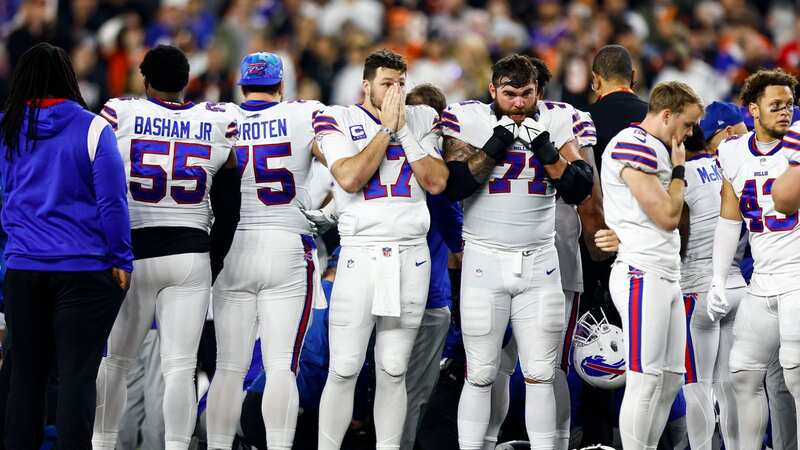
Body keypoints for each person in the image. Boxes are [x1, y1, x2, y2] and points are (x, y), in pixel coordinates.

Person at [440, 53, 594, 450]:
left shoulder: (559, 119)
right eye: (509, 94)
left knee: (542, 372)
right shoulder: (468, 118)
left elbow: (579, 187)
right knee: (480, 372)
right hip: (483, 261)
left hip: (540, 262)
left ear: (538, 90)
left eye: (526, 93)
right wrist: (498, 141)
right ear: (493, 90)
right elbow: (454, 184)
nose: (519, 103)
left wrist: (544, 148)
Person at [92, 45, 241, 450]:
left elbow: (95, 179)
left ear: (145, 81)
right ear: (186, 82)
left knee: (117, 362)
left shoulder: (120, 113)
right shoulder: (217, 119)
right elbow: (230, 203)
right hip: (190, 252)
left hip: (132, 252)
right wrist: (214, 254)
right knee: (180, 368)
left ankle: (102, 444)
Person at [313, 49, 449, 450]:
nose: (396, 92)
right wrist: (385, 131)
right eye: (388, 83)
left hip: (411, 253)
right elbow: (351, 178)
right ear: (366, 85)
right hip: (360, 252)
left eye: (401, 84)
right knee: (345, 367)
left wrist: (404, 131)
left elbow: (437, 182)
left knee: (394, 368)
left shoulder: (421, 117)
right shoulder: (338, 117)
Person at [0, 42, 132, 450]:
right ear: (68, 79)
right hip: (85, 270)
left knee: (25, 376)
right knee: (77, 375)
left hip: (23, 268)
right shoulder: (93, 127)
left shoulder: (5, 127)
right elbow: (112, 200)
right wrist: (121, 256)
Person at [481, 57, 604, 450]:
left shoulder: (487, 117)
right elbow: (589, 190)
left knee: (497, 365)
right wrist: (596, 244)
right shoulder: (570, 118)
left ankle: (490, 439)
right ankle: (557, 441)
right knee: (548, 367)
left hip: (510, 252)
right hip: (558, 250)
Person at [205, 51, 325, 450]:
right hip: (286, 244)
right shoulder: (304, 113)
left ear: (241, 86)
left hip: (231, 248)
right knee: (280, 367)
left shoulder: (220, 118)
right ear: (280, 86)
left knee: (227, 368)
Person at [601, 80, 703, 449]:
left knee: (671, 378)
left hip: (663, 271)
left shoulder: (653, 147)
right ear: (666, 115)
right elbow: (666, 215)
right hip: (641, 271)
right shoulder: (634, 144)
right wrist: (679, 171)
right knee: (644, 378)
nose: (689, 134)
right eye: (687, 124)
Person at [707, 69, 800, 450]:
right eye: (775, 106)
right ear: (752, 110)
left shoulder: (797, 143)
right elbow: (730, 220)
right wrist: (717, 276)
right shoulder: (732, 152)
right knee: (743, 373)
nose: (784, 113)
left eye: (790, 106)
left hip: (798, 275)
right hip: (762, 279)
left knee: (796, 376)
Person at [402, 84, 465, 450]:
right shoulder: (440, 178)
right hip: (427, 298)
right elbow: (459, 240)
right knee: (411, 396)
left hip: (380, 291)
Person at [679, 116, 746, 450]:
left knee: (698, 387)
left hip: (699, 290)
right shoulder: (733, 167)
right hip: (738, 286)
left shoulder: (683, 174)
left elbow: (676, 231)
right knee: (732, 386)